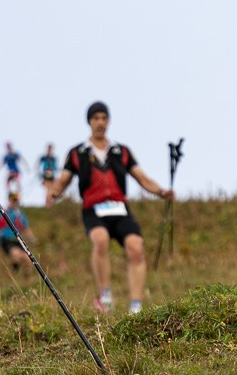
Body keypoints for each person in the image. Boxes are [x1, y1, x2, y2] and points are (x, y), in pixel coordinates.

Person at [46, 101, 174, 314]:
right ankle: (105, 295)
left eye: (104, 118)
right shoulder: (77, 153)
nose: (100, 123)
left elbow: (142, 178)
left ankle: (136, 305)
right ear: (89, 122)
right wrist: (54, 192)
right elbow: (63, 181)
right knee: (100, 239)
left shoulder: (121, 151)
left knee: (136, 246)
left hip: (119, 208)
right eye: (96, 118)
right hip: (93, 209)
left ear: (109, 121)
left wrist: (161, 192)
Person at [0, 192, 36, 271]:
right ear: (9, 200)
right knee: (16, 254)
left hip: (18, 241)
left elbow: (26, 228)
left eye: (16, 201)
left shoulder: (19, 214)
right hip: (6, 241)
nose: (15, 202)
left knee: (28, 259)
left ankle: (25, 279)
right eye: (13, 200)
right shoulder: (0, 212)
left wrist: (32, 238)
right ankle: (15, 272)